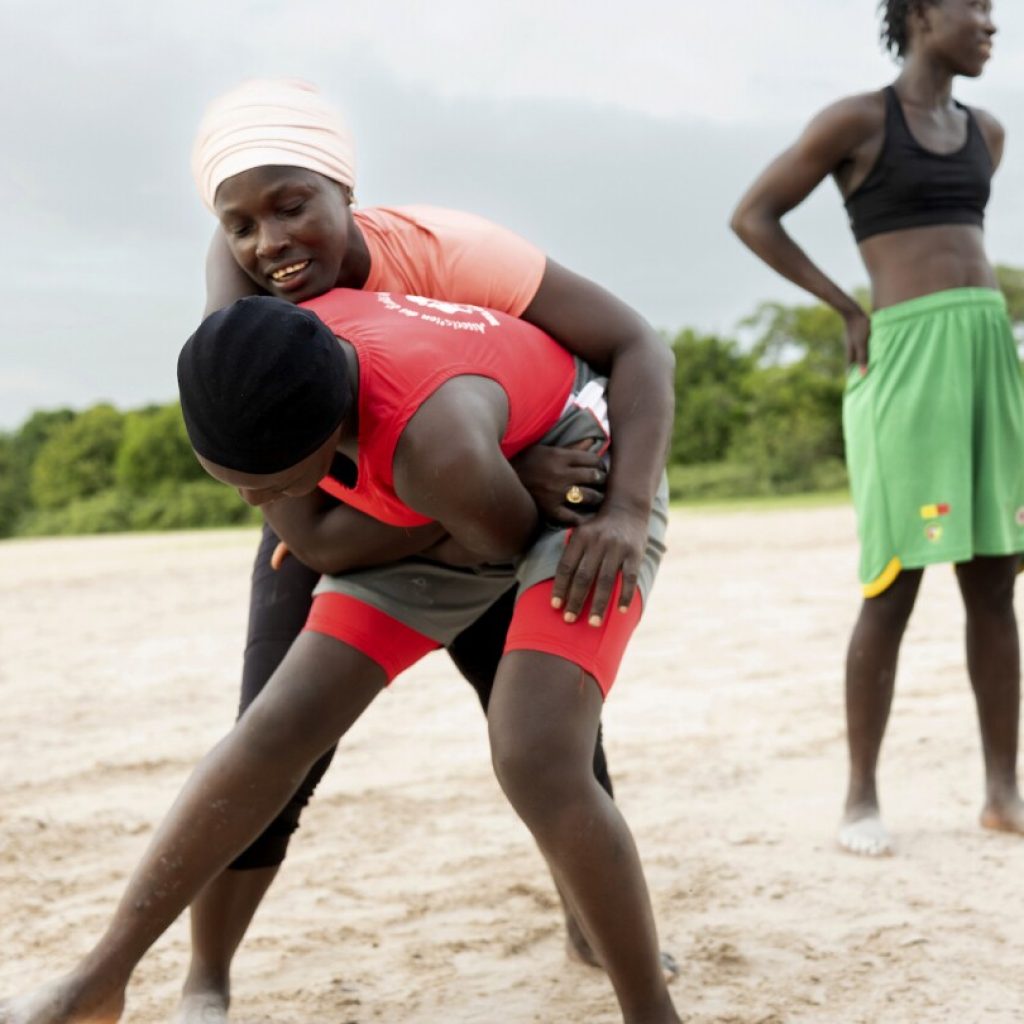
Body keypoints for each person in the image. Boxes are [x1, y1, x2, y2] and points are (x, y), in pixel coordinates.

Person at [0, 292, 678, 1024]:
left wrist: (490, 489)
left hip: (574, 485)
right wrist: (340, 499)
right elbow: (334, 530)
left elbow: (499, 541)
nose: (257, 500)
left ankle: (652, 1016)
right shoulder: (263, 363)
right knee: (273, 728)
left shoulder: (434, 442)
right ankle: (98, 982)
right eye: (235, 482)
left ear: (334, 430)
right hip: (448, 498)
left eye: (277, 483)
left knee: (535, 752)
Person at [182, 79, 676, 1017]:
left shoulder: (452, 255)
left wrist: (623, 510)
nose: (272, 243)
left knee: (545, 731)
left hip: (491, 493)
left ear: (345, 193)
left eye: (294, 207)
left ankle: (593, 926)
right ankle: (207, 973)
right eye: (242, 224)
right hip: (344, 518)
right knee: (273, 736)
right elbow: (311, 532)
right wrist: (482, 490)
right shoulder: (239, 308)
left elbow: (637, 345)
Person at [731, 0, 1024, 857]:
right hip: (904, 359)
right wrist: (843, 308)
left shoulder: (988, 134)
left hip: (986, 356)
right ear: (924, 13)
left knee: (995, 580)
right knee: (892, 580)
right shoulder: (858, 121)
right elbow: (754, 215)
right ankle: (860, 798)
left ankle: (1003, 790)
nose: (991, 22)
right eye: (975, 6)